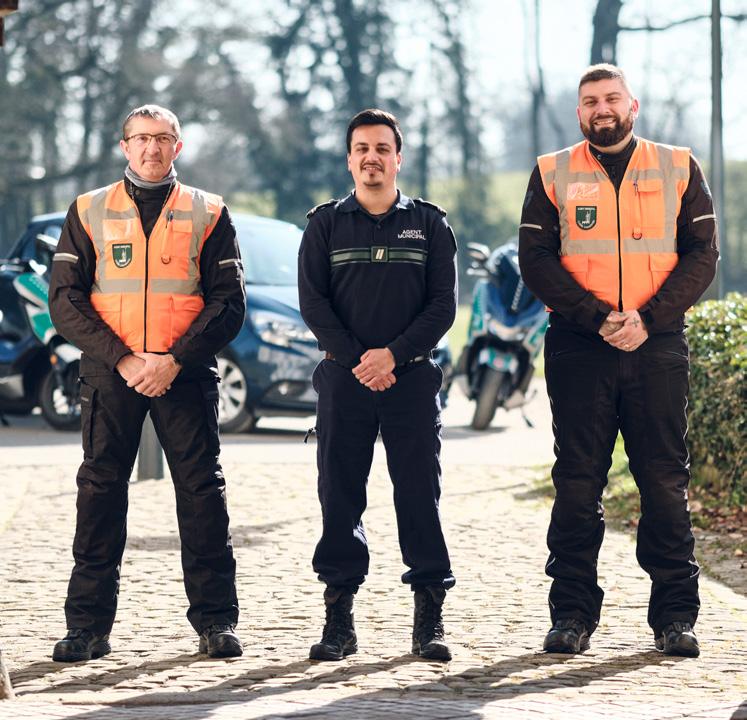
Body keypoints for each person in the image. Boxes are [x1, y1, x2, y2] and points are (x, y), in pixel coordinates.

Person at [519, 64, 719, 657]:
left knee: (664, 481)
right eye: (589, 101)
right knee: (577, 482)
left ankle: (676, 617)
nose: (601, 109)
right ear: (579, 112)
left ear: (632, 105)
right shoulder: (551, 172)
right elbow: (536, 259)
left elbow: (702, 255)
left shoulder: (678, 165)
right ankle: (571, 615)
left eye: (611, 98)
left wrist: (647, 319)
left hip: (657, 345)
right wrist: (596, 316)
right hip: (580, 346)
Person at [49, 104, 246, 661]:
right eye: (141, 138)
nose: (152, 148)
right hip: (111, 372)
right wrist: (124, 359)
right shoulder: (88, 209)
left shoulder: (209, 211)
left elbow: (229, 303)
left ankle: (216, 622)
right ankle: (86, 628)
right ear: (125, 145)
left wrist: (173, 360)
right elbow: (64, 301)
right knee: (100, 491)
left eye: (163, 138)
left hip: (184, 373)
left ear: (178, 147)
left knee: (202, 492)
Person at [298, 109, 457, 662]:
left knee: (419, 495)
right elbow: (313, 304)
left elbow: (442, 306)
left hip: (411, 380)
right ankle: (339, 621)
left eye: (382, 149)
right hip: (343, 382)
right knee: (340, 496)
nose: (372, 158)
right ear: (349, 159)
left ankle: (429, 620)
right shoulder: (324, 225)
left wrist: (393, 355)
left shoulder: (430, 224)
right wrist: (358, 360)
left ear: (398, 158)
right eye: (362, 149)